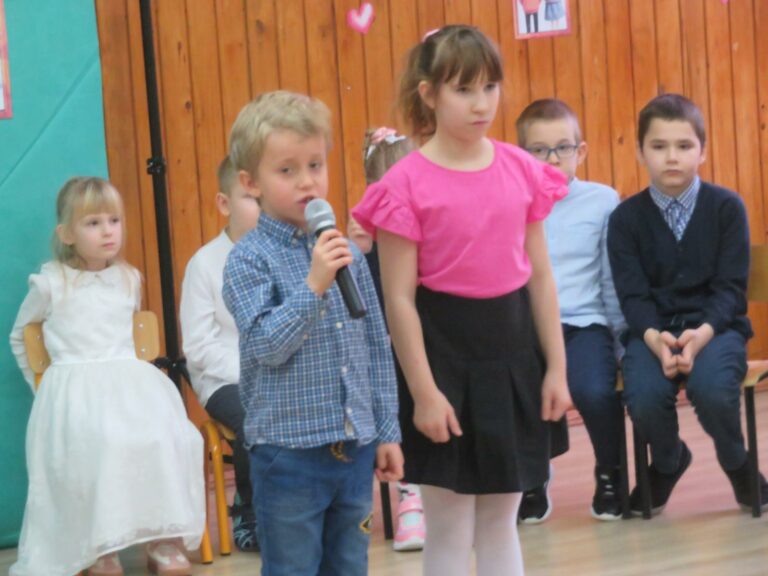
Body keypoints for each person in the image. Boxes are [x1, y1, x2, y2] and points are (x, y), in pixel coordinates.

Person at [352, 26, 571, 576]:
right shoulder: (403, 184)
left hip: (513, 355)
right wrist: (425, 393)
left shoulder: (521, 169)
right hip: (443, 360)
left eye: (490, 87)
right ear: (429, 94)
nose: (481, 104)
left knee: (501, 521)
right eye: (464, 90)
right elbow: (399, 300)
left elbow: (541, 278)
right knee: (449, 526)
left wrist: (556, 367)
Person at [222, 90, 403, 576]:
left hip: (353, 447)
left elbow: (375, 348)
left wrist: (386, 430)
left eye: (315, 165)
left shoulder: (346, 253)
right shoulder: (248, 260)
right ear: (251, 182)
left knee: (349, 566)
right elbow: (266, 346)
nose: (307, 181)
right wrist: (313, 286)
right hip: (288, 455)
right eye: (287, 170)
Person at [9, 177, 205, 576]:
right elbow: (20, 336)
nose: (107, 231)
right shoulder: (51, 283)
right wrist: (45, 389)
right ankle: (99, 546)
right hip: (75, 387)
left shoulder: (128, 278)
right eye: (93, 223)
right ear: (67, 234)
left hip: (128, 382)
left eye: (114, 220)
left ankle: (163, 537)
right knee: (98, 442)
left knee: (168, 435)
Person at [607, 93, 768, 515]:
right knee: (643, 396)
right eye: (659, 146)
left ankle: (737, 462)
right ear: (640, 151)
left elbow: (731, 290)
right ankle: (668, 460)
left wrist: (702, 335)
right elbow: (632, 295)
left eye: (684, 145)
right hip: (651, 332)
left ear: (703, 150)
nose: (672, 157)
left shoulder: (726, 208)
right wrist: (655, 339)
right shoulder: (625, 220)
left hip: (717, 329)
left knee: (712, 389)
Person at [515, 98, 626, 523]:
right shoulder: (513, 202)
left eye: (562, 147)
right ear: (522, 154)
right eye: (539, 150)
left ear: (581, 151)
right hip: (526, 326)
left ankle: (610, 471)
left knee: (594, 390)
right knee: (520, 389)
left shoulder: (603, 201)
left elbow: (611, 278)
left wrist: (621, 342)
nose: (552, 158)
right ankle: (533, 474)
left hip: (584, 324)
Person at [347, 126, 426, 552]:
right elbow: (357, 311)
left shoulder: (428, 226)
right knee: (395, 388)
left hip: (429, 340)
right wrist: (358, 254)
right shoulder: (359, 240)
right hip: (381, 351)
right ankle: (410, 494)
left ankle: (448, 491)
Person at [179, 155, 261, 551]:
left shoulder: (283, 254)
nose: (263, 205)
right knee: (254, 418)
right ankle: (251, 512)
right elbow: (199, 348)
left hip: (276, 373)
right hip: (224, 380)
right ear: (224, 204)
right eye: (251, 198)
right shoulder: (204, 264)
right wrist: (254, 374)